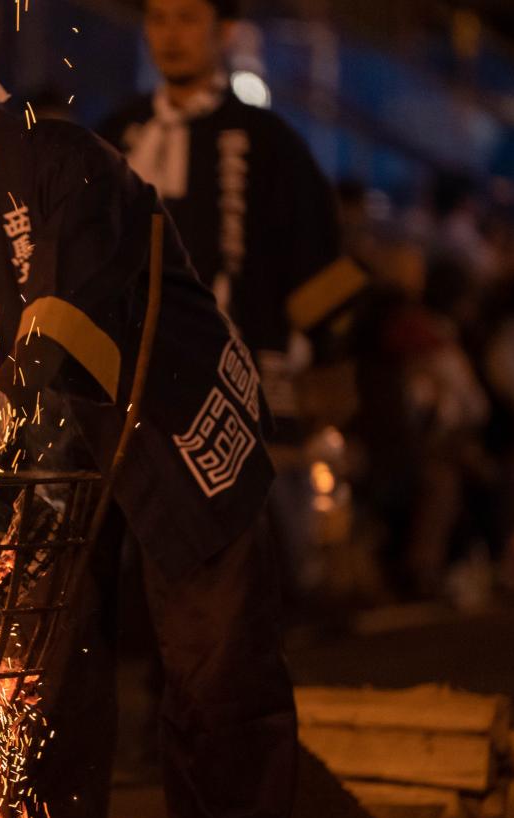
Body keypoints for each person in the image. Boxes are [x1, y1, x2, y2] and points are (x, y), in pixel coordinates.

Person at [0, 32, 296, 818]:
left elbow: (69, 314)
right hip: (48, 456)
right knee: (45, 677)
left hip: (171, 420)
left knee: (212, 671)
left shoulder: (62, 161)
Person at [101, 0, 364, 590]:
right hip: (128, 370)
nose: (171, 36)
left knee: (242, 547)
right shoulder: (115, 134)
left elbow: (315, 254)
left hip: (238, 360)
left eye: (188, 19)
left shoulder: (267, 140)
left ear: (224, 31)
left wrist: (324, 361)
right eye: (159, 19)